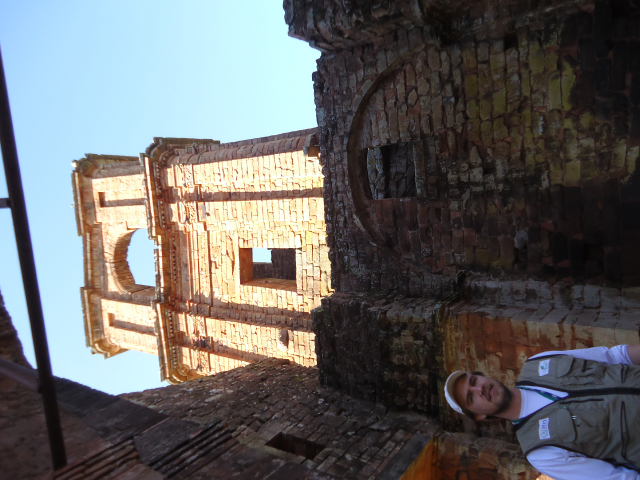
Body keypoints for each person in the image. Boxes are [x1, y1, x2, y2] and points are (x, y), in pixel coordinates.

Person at [444, 344, 640, 480]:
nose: (479, 389)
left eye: (474, 381)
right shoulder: (540, 452)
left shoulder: (537, 362)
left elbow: (615, 356)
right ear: (478, 416)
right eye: (471, 397)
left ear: (482, 376)